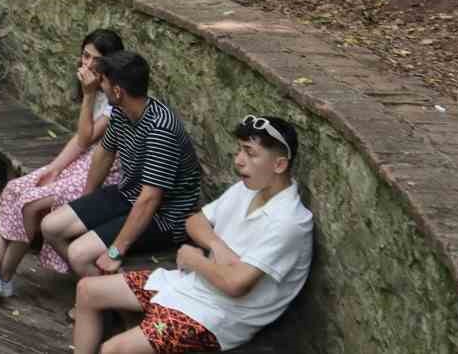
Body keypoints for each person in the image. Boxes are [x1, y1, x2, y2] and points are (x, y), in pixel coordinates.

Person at [71, 116, 313, 354]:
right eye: (239, 150)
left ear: (279, 165)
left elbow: (235, 284)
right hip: (192, 284)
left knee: (114, 349)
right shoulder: (247, 189)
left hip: (219, 315)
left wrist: (194, 260)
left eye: (250, 153)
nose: (239, 161)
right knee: (87, 290)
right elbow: (195, 220)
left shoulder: (289, 222)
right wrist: (216, 246)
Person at [0, 28, 125, 296]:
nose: (86, 64)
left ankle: (3, 278)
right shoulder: (96, 90)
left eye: (93, 59)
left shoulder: (112, 98)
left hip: (106, 172)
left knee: (31, 203)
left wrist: (87, 95)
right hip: (84, 162)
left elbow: (86, 139)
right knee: (16, 187)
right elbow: (79, 141)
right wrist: (54, 167)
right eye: (84, 56)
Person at [41, 51, 203, 277]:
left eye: (104, 82)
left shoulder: (160, 129)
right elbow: (104, 154)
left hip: (165, 216)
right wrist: (88, 200)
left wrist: (116, 251)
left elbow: (150, 199)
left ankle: (99, 303)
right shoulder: (121, 110)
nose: (100, 86)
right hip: (128, 194)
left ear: (118, 91)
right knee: (51, 227)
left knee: (79, 253)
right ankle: (96, 287)